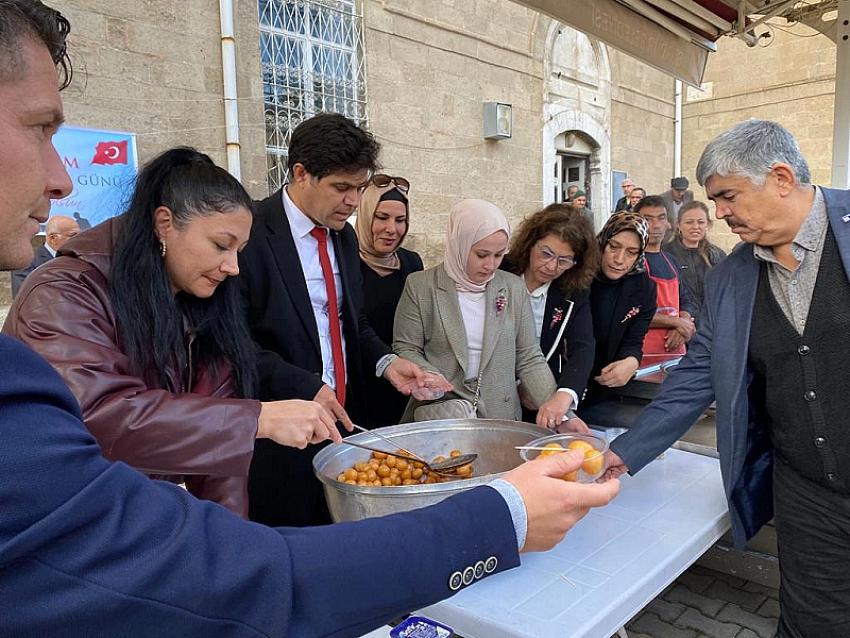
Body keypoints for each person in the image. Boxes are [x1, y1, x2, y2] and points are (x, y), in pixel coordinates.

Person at [0, 3, 624, 635]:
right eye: (40, 130)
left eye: (363, 191)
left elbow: (307, 363)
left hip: (306, 441)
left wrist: (383, 363)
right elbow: (140, 412)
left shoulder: (295, 259)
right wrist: (271, 416)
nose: (59, 179)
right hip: (238, 467)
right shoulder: (74, 293)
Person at [604, 120, 850, 637]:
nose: (718, 213)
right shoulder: (731, 277)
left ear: (780, 177)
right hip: (809, 496)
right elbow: (698, 374)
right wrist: (626, 452)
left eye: (727, 196)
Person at [4, 147, 343, 518]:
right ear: (165, 223)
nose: (233, 267)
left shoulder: (200, 301)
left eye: (240, 251)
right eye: (220, 245)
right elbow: (102, 418)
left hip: (133, 514)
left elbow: (218, 458)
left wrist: (229, 541)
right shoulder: (64, 292)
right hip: (53, 517)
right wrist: (257, 419)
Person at [238, 113, 448, 526]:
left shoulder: (344, 236)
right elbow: (233, 342)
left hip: (343, 424)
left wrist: (388, 363)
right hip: (279, 433)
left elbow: (351, 324)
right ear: (300, 174)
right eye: (341, 188)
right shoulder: (251, 233)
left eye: (358, 188)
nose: (353, 202)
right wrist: (304, 385)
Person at [394, 199, 571, 427]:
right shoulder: (420, 286)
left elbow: (529, 357)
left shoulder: (512, 287)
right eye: (481, 254)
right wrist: (428, 374)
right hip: (445, 414)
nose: (490, 265)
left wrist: (563, 416)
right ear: (459, 244)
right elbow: (406, 347)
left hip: (502, 416)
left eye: (498, 255)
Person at [502, 203, 599, 429]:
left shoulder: (573, 290)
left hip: (547, 397)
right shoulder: (501, 271)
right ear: (529, 244)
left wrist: (563, 396)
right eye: (546, 253)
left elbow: (583, 347)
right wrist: (519, 383)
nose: (551, 266)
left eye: (564, 260)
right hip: (495, 397)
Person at [354, 173, 424, 426]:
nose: (391, 229)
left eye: (400, 220)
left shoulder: (411, 262)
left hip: (405, 386)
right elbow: (352, 322)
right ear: (364, 214)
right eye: (381, 217)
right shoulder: (344, 260)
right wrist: (387, 361)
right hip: (359, 387)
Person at [577, 212, 656, 424]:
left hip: (603, 394)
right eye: (614, 247)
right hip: (557, 387)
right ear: (602, 242)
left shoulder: (644, 288)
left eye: (631, 252)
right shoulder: (578, 276)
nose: (620, 259)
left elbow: (634, 340)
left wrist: (631, 362)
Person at [634, 195, 696, 362]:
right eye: (648, 219)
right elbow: (632, 313)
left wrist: (683, 323)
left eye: (661, 218)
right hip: (641, 358)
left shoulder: (671, 261)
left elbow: (685, 300)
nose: (656, 225)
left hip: (675, 358)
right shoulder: (632, 262)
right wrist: (676, 323)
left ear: (668, 223)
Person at [664, 200, 726, 324]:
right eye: (689, 222)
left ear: (708, 224)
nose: (695, 227)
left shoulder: (717, 255)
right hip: (679, 325)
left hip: (711, 325)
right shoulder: (666, 254)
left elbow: (725, 292)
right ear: (678, 225)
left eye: (701, 222)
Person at [10, 213, 78, 296]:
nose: (79, 239)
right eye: (73, 235)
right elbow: (22, 295)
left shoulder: (78, 260)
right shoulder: (26, 261)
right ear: (53, 238)